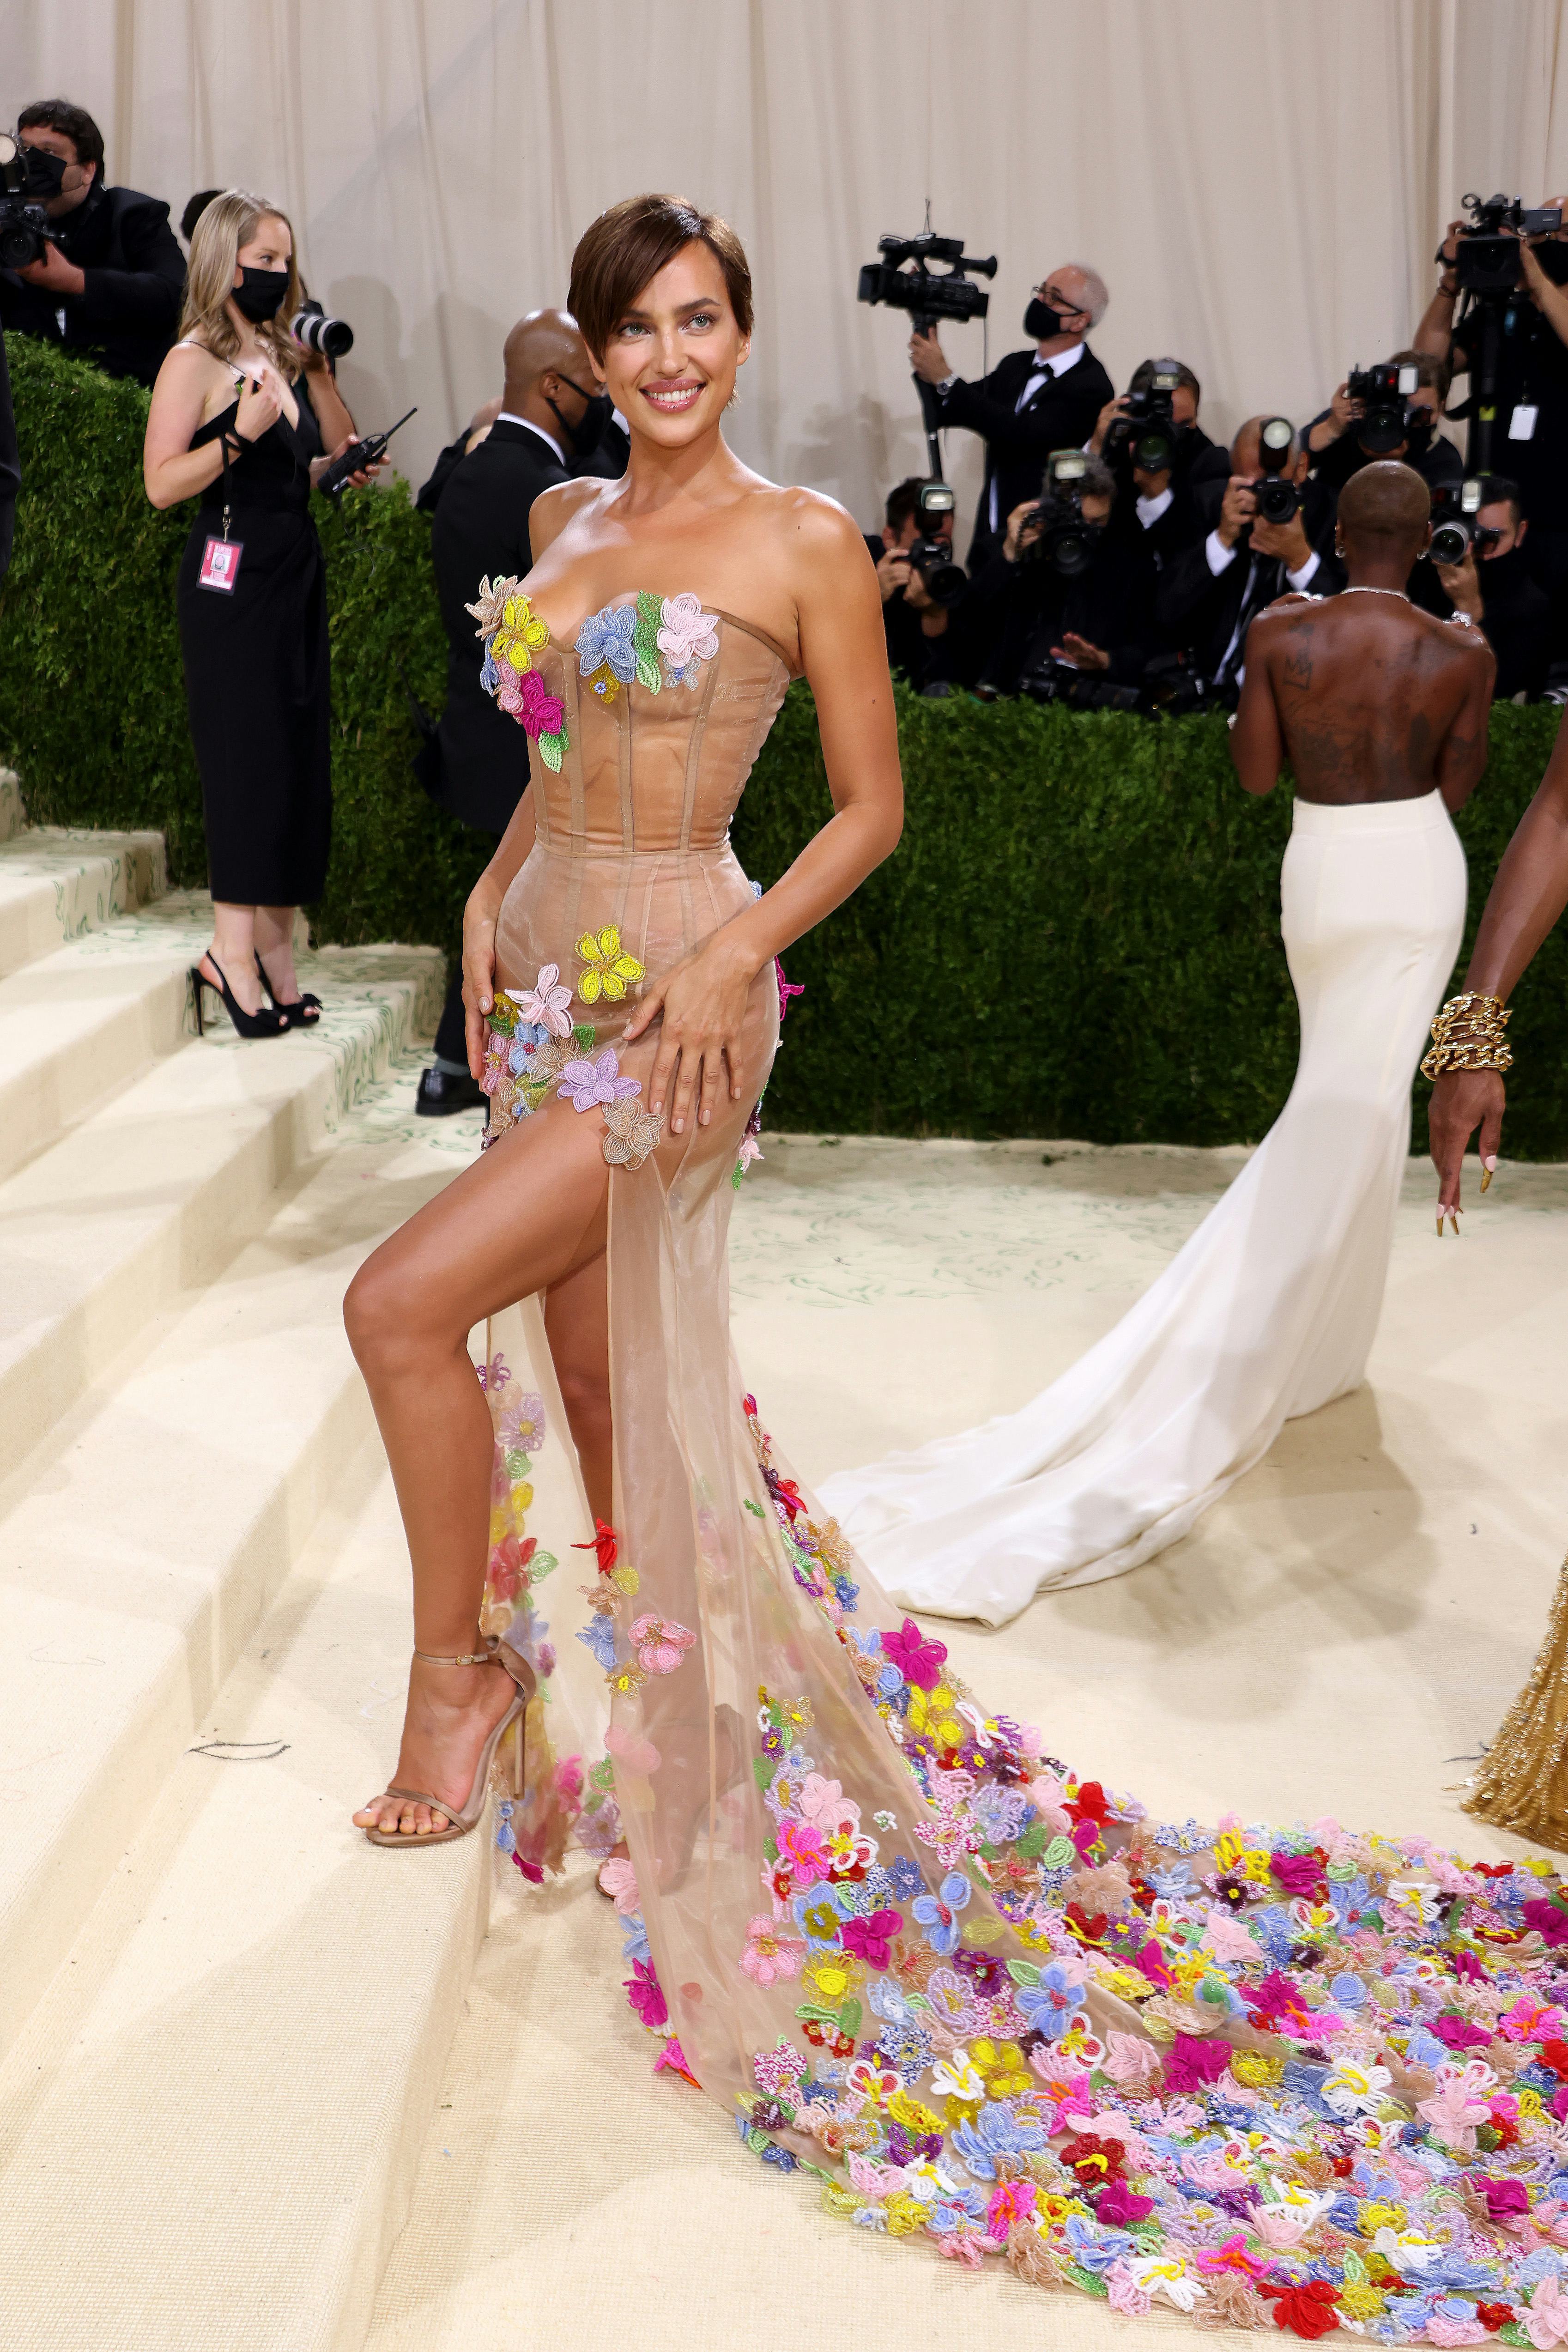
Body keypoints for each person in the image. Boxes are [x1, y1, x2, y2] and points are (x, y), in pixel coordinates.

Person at [333, 204, 1566, 2328]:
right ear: (595, 345)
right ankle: (670, 1714)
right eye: (635, 326)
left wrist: (733, 940)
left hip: (687, 1001)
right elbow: (550, 755)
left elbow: (865, 809)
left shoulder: (804, 538)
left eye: (700, 319)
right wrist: (486, 889)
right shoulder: (548, 511)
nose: (667, 357)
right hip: (545, 963)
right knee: (608, 1379)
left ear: (743, 329)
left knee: (395, 1303)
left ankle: (462, 1676)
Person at [823, 463, 1491, 1623]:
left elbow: (1252, 774)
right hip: (1415, 870)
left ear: (1331, 532)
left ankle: (1318, 1346)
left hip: (1321, 872)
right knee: (1354, 1109)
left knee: (1345, 1099)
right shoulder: (1465, 652)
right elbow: (1463, 785)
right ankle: (1265, 1350)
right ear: (1428, 541)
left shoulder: (1287, 629)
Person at [142, 189, 377, 1037]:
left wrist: (332, 469)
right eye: (261, 260)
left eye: (284, 260)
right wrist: (236, 435)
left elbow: (286, 477)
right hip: (229, 587)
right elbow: (163, 483)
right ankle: (228, 955)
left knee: (291, 763)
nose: (276, 275)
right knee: (245, 763)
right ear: (221, 261)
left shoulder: (280, 350)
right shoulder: (194, 359)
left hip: (290, 572)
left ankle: (275, 952)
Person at [416, 310, 587, 1115]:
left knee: (497, 904)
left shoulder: (468, 470)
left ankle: (456, 1067)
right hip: (531, 742)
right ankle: (479, 1072)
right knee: (519, 919)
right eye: (591, 377)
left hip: (473, 730)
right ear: (555, 385)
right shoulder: (550, 492)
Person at [1416, 198, 1568, 632]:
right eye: (1541, 231)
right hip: (1494, 501)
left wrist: (1537, 282)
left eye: (1562, 233)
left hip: (1560, 510)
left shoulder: (1545, 298)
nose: (1547, 243)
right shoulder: (1497, 311)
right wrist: (1450, 283)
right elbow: (1427, 364)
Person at [909, 262, 1114, 567]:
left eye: (1054, 297)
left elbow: (1021, 434)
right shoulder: (1015, 367)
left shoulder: (1090, 385)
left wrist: (946, 380)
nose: (1041, 301)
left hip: (1043, 547)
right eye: (1042, 291)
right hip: (990, 541)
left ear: (1078, 321)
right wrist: (924, 328)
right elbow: (950, 407)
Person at [1155, 414, 1344, 699]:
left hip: (1287, 699)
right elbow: (1166, 611)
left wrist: (1300, 560)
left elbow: (1349, 627)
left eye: (1277, 483)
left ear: (1302, 468)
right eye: (1251, 484)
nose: (1263, 495)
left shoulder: (1335, 517)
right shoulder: (1210, 506)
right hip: (1202, 692)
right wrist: (1222, 540)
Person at [0, 99, 184, 388]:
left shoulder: (133, 215)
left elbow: (174, 294)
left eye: (49, 152)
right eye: (24, 150)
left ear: (88, 170)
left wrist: (76, 282)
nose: (32, 165)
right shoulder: (5, 217)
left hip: (122, 400)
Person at [973, 457, 1157, 697]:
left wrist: (1106, 660)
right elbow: (973, 621)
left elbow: (1152, 649)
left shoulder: (1130, 567)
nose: (1086, 534)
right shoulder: (1017, 551)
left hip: (1088, 705)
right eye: (1077, 521)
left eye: (1098, 523)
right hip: (1010, 700)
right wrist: (1011, 553)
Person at [1431, 474, 1555, 699]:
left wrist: (1469, 609)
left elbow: (1499, 695)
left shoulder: (1532, 607)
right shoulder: (1427, 579)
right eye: (1472, 533)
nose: (1481, 547)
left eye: (1494, 536)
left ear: (1521, 533)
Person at [1090, 356, 1214, 568]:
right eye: (1163, 423)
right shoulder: (1117, 453)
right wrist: (1095, 449)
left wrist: (1157, 495)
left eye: (1184, 425)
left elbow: (1195, 558)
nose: (1173, 436)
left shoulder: (1211, 462)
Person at [1305, 348, 1464, 499]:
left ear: (1441, 407)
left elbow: (1421, 521)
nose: (1408, 419)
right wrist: (1331, 428)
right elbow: (1290, 466)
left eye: (1421, 413)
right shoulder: (1349, 422)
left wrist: (1394, 468)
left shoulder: (1442, 459)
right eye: (1401, 408)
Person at [868, 475, 975, 692]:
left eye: (942, 544)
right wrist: (872, 600)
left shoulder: (951, 585)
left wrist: (935, 615)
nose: (932, 554)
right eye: (923, 543)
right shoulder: (860, 563)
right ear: (890, 539)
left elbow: (949, 692)